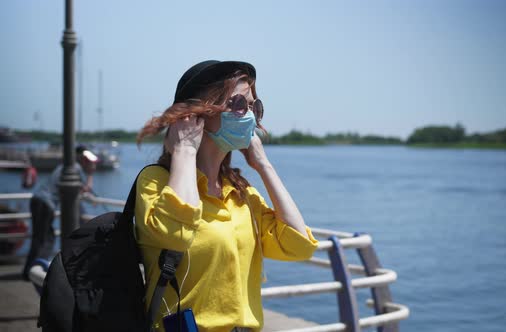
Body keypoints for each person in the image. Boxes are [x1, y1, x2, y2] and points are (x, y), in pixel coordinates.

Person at [135, 60, 319, 332]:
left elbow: (300, 246)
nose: (250, 116)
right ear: (197, 114)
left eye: (255, 107)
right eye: (238, 104)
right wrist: (184, 151)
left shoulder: (241, 194)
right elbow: (176, 234)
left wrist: (263, 165)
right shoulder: (155, 182)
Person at [21, 145, 96, 280]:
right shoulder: (75, 168)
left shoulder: (63, 166)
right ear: (81, 157)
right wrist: (90, 173)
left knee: (39, 238)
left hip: (37, 199)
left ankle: (28, 271)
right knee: (47, 238)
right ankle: (36, 271)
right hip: (46, 204)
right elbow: (86, 189)